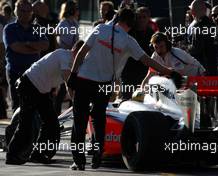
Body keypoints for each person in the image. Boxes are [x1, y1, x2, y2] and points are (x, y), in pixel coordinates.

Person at [67, 7, 182, 170]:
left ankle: (78, 160)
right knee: (98, 120)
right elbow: (147, 61)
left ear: (116, 18)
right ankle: (98, 152)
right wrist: (168, 72)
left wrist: (73, 74)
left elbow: (82, 51)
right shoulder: (128, 41)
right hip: (104, 84)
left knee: (79, 121)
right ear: (131, 23)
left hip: (84, 79)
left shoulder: (100, 29)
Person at [5, 40, 84, 165]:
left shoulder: (74, 63)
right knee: (26, 123)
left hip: (41, 89)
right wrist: (75, 99)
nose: (82, 58)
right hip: (29, 84)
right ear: (75, 50)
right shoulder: (63, 55)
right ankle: (12, 156)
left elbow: (58, 75)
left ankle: (39, 154)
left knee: (51, 123)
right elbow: (68, 79)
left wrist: (55, 87)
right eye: (82, 54)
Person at [3, 0, 49, 111]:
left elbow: (45, 45)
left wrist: (27, 44)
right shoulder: (9, 29)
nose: (26, 13)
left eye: (29, 11)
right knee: (18, 105)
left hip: (33, 72)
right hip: (15, 72)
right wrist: (34, 48)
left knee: (35, 105)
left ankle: (32, 128)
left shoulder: (37, 28)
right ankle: (16, 128)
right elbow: (16, 47)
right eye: (22, 10)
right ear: (16, 12)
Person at [121, 7, 155, 99]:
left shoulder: (152, 33)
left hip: (144, 73)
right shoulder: (129, 31)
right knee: (127, 99)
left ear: (148, 18)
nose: (141, 20)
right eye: (139, 17)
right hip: (128, 71)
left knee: (143, 100)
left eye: (144, 17)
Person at [55, 0, 79, 115]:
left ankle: (71, 112)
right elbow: (57, 37)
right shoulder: (63, 23)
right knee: (63, 87)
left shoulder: (74, 23)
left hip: (72, 56)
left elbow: (76, 39)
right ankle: (57, 114)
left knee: (73, 85)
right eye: (76, 8)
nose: (78, 11)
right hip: (64, 55)